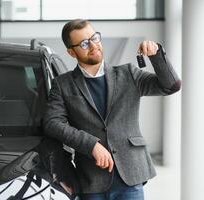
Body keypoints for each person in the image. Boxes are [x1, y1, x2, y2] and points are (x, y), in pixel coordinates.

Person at [43, 19, 181, 200]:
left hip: (130, 177)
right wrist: (91, 144)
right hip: (91, 180)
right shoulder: (62, 84)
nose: (93, 45)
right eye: (84, 43)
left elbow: (170, 86)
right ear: (71, 52)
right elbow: (52, 123)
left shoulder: (128, 73)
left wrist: (156, 55)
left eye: (94, 38)